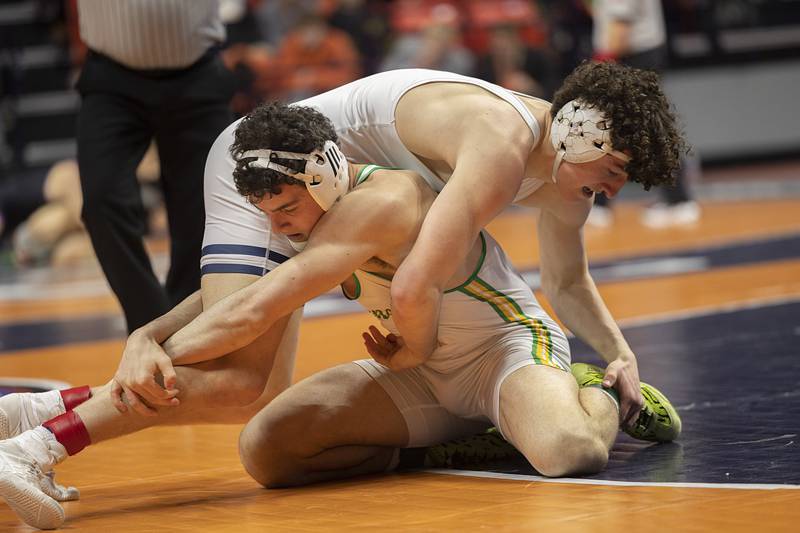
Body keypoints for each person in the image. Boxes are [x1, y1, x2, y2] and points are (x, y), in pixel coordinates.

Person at [0, 103, 681, 529]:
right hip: (414, 363)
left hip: (502, 350)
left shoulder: (386, 201)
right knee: (267, 449)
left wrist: (146, 350)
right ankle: (446, 441)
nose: (282, 227)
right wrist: (146, 337)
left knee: (568, 451)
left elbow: (260, 306)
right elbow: (233, 301)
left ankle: (589, 392)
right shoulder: (310, 208)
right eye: (269, 217)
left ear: (324, 177)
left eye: (287, 212)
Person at [75, 0, 235, 332]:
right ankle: (153, 328)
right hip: (112, 80)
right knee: (101, 199)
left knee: (205, 211)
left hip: (198, 75)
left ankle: (187, 330)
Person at [588, 0, 700, 228]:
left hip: (632, 57)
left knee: (631, 131)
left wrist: (598, 67)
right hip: (639, 55)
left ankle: (680, 202)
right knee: (623, 131)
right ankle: (601, 205)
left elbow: (619, 31)